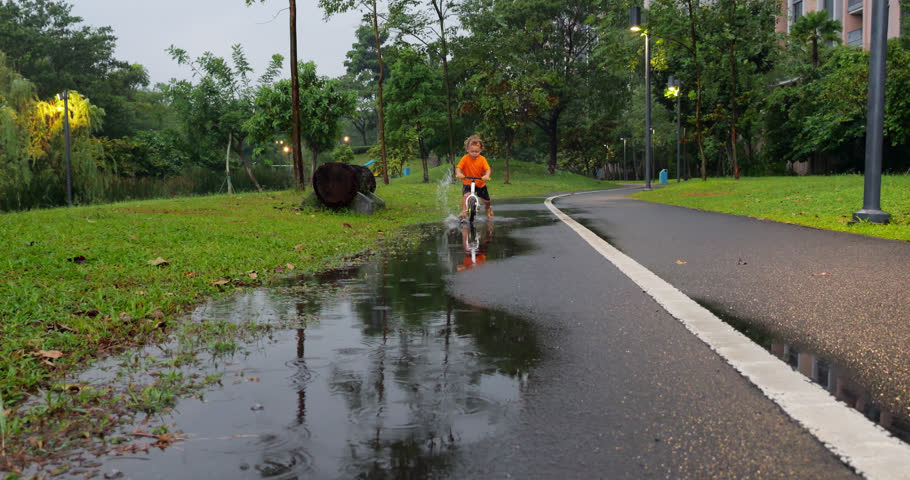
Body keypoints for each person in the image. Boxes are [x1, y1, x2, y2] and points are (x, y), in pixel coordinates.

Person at [456, 135, 493, 220]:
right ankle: (464, 212)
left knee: (487, 201)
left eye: (477, 151)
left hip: (480, 183)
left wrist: (487, 175)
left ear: (480, 150)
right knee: (466, 196)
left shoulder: (482, 159)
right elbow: (458, 168)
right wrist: (459, 173)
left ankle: (488, 209)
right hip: (467, 182)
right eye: (472, 151)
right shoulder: (465, 158)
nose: (474, 153)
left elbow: (487, 169)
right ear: (467, 149)